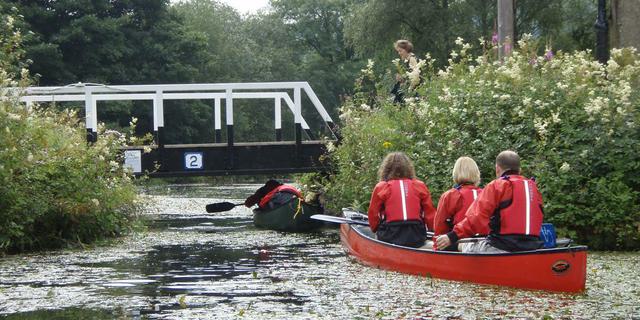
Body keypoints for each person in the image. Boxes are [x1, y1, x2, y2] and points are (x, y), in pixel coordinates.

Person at [435, 151, 544, 253]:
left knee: (461, 245)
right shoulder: (533, 187)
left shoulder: (496, 186)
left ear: (497, 169)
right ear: (520, 170)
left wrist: (452, 236)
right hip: (533, 245)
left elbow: (476, 218)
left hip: (501, 246)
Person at [368, 152, 436, 247]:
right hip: (416, 235)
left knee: (378, 234)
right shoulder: (419, 185)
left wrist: (375, 229)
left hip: (389, 235)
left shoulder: (382, 187)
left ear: (386, 169)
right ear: (408, 169)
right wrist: (433, 230)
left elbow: (373, 214)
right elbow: (430, 213)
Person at [433, 157, 483, 251]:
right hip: (484, 242)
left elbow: (440, 227)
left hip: (461, 242)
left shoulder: (451, 195)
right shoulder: (485, 193)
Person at [391, 39, 419, 104]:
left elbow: (416, 76)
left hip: (416, 91)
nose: (399, 53)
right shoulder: (407, 60)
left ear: (406, 49)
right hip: (412, 90)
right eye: (398, 51)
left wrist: (409, 89)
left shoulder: (412, 59)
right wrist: (402, 78)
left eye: (400, 51)